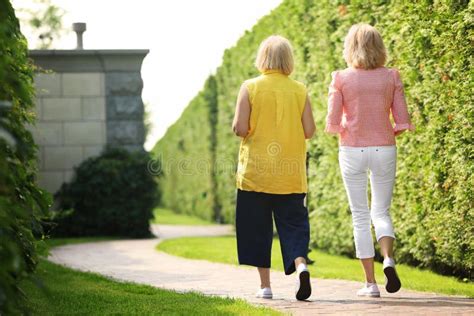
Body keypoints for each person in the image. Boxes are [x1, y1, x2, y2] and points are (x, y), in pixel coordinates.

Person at [325, 23, 415, 297]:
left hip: (352, 149)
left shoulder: (340, 77)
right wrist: (392, 128)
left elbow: (332, 120)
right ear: (380, 47)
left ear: (350, 48)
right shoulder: (391, 76)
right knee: (382, 212)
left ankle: (371, 284)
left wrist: (344, 127)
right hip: (384, 148)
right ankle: (388, 258)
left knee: (360, 216)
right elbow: (401, 119)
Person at [232, 35, 316, 301]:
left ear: (262, 58)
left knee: (257, 230)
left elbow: (240, 128)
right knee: (293, 226)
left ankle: (266, 286)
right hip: (291, 175)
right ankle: (301, 265)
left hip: (256, 174)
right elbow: (310, 130)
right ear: (288, 60)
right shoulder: (300, 90)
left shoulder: (250, 87)